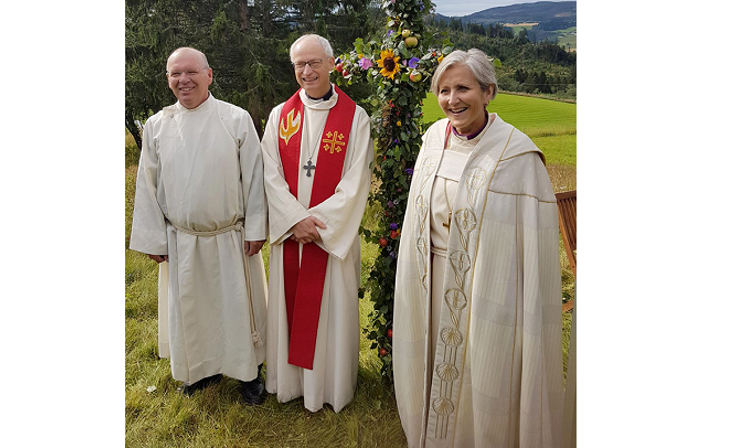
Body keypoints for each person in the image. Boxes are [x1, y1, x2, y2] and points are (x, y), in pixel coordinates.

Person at [393, 49, 565, 447]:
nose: (453, 99)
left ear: (488, 92)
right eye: (445, 89)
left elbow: (531, 246)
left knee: (480, 371)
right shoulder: (433, 140)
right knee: (431, 362)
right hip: (431, 280)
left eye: (464, 88)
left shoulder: (516, 154)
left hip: (487, 289)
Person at [129, 47, 269, 405]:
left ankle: (248, 374)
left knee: (236, 306)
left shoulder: (234, 119)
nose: (183, 80)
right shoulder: (158, 125)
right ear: (167, 80)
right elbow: (147, 185)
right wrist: (153, 238)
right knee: (192, 310)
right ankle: (200, 370)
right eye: (175, 73)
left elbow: (255, 178)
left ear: (209, 75)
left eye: (191, 72)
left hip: (229, 237)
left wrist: (255, 228)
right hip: (183, 240)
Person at [260, 34, 373, 412]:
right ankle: (290, 384)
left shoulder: (355, 118)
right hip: (293, 236)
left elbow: (356, 183)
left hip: (328, 237)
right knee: (290, 310)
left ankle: (330, 387)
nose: (307, 72)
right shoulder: (280, 116)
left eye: (314, 63)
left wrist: (316, 224)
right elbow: (269, 174)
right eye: (299, 65)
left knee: (331, 311)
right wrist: (294, 221)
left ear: (331, 63)